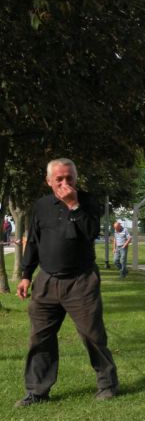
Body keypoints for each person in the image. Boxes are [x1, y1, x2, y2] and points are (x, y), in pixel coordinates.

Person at [15, 158, 119, 407]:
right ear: (48, 181)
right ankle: (37, 391)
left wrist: (73, 205)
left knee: (92, 335)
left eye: (69, 178)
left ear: (76, 178)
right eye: (59, 179)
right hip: (47, 281)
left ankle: (107, 385)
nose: (64, 183)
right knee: (40, 338)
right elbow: (35, 242)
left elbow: (92, 231)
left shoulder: (87, 201)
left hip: (81, 280)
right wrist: (26, 275)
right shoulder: (40, 206)